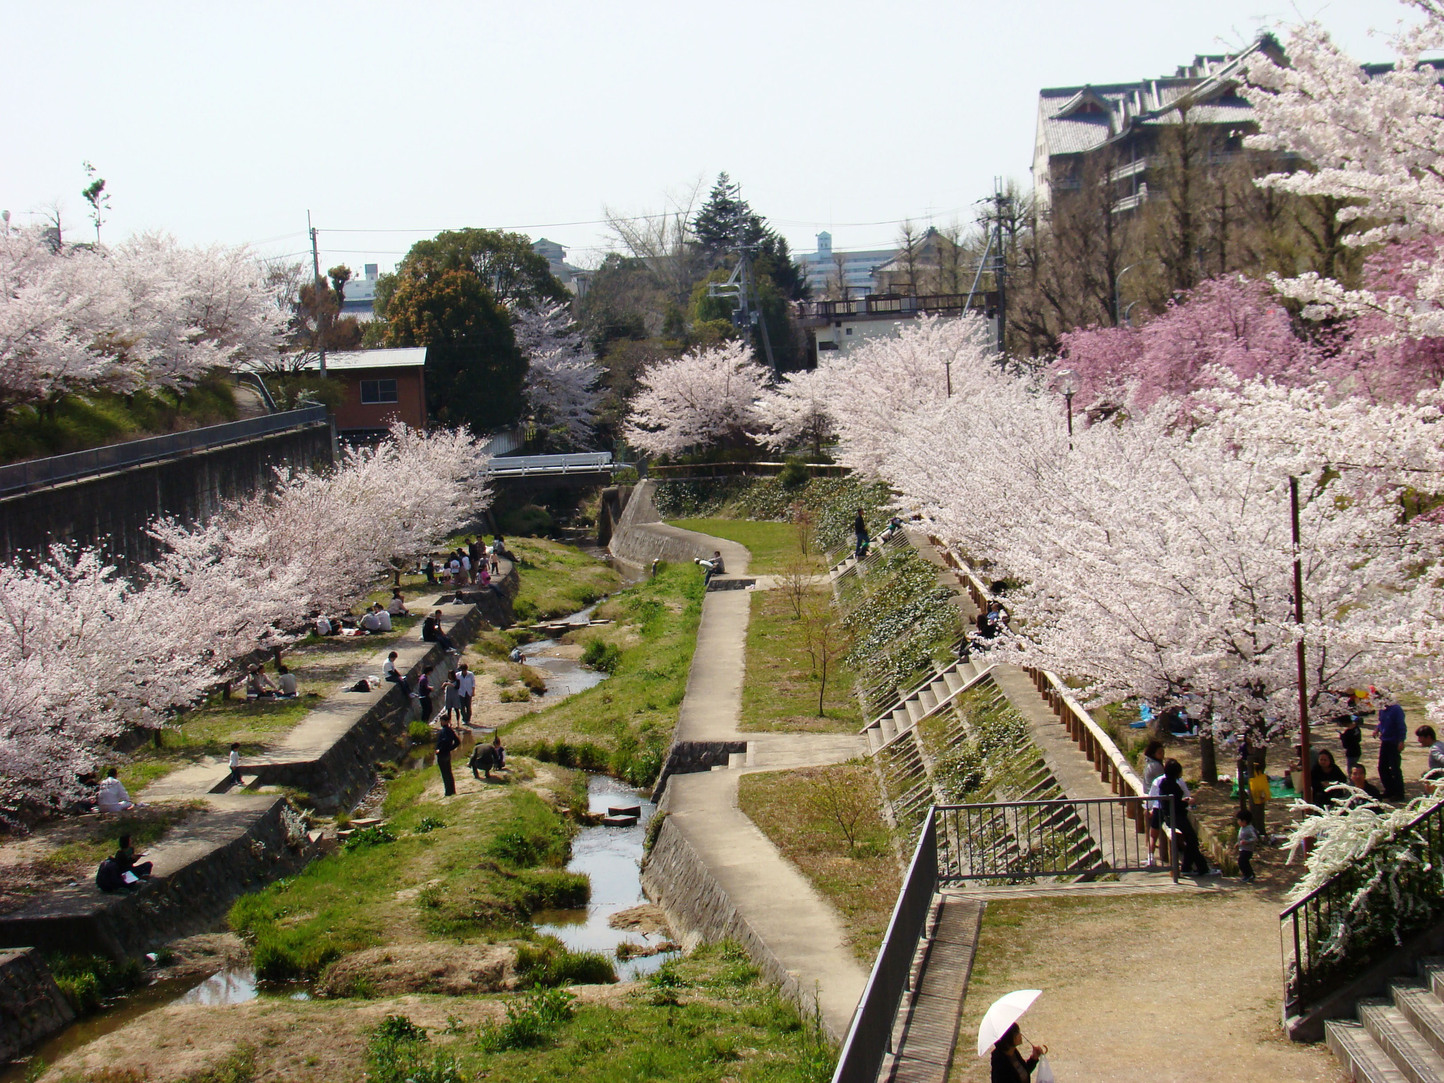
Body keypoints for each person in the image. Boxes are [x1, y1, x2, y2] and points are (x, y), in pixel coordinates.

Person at [1154, 759, 1217, 876]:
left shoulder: (1164, 783)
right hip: (1176, 817)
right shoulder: (1172, 785)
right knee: (1192, 840)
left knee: (1191, 840)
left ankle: (1186, 867)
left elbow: (1173, 801)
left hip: (1169, 816)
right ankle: (1203, 868)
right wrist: (1187, 802)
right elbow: (1176, 804)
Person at [1141, 740, 1166, 867]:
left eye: (1163, 752)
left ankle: (1150, 856)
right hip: (1155, 802)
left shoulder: (1149, 764)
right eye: (1159, 752)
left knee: (1152, 832)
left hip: (1150, 800)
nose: (1162, 754)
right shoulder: (1157, 767)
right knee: (1154, 832)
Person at [1377, 696, 1407, 799]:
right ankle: (1389, 789)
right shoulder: (1382, 709)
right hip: (1385, 741)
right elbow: (1381, 722)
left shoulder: (1396, 709)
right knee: (1382, 767)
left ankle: (1399, 793)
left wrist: (1401, 741)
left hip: (1394, 741)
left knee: (1395, 768)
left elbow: (1401, 726)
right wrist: (1377, 729)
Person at [435, 718, 460, 796]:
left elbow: (445, 740)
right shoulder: (450, 730)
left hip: (442, 754)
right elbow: (457, 742)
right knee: (449, 773)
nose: (440, 723)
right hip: (447, 754)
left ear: (445, 721)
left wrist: (440, 749)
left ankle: (448, 792)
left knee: (445, 773)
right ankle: (452, 790)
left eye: (441, 721)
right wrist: (450, 748)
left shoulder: (444, 730)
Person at [1236, 809, 1259, 884]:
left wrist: (1247, 842)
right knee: (1244, 862)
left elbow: (1255, 838)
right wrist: (1238, 843)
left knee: (1242, 862)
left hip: (1247, 850)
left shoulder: (1249, 829)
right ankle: (1250, 874)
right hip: (1242, 848)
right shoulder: (1242, 828)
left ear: (1244, 821)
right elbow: (1241, 838)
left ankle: (1248, 875)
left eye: (1239, 820)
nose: (1238, 822)